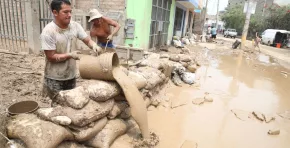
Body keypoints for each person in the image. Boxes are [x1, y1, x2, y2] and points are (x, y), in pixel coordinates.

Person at [41, 0, 103, 99]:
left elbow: (87, 40)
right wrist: (70, 55)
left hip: (71, 75)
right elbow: (51, 57)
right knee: (57, 105)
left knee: (70, 104)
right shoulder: (48, 31)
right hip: (54, 77)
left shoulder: (75, 26)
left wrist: (94, 45)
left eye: (70, 12)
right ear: (55, 12)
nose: (69, 15)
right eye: (65, 12)